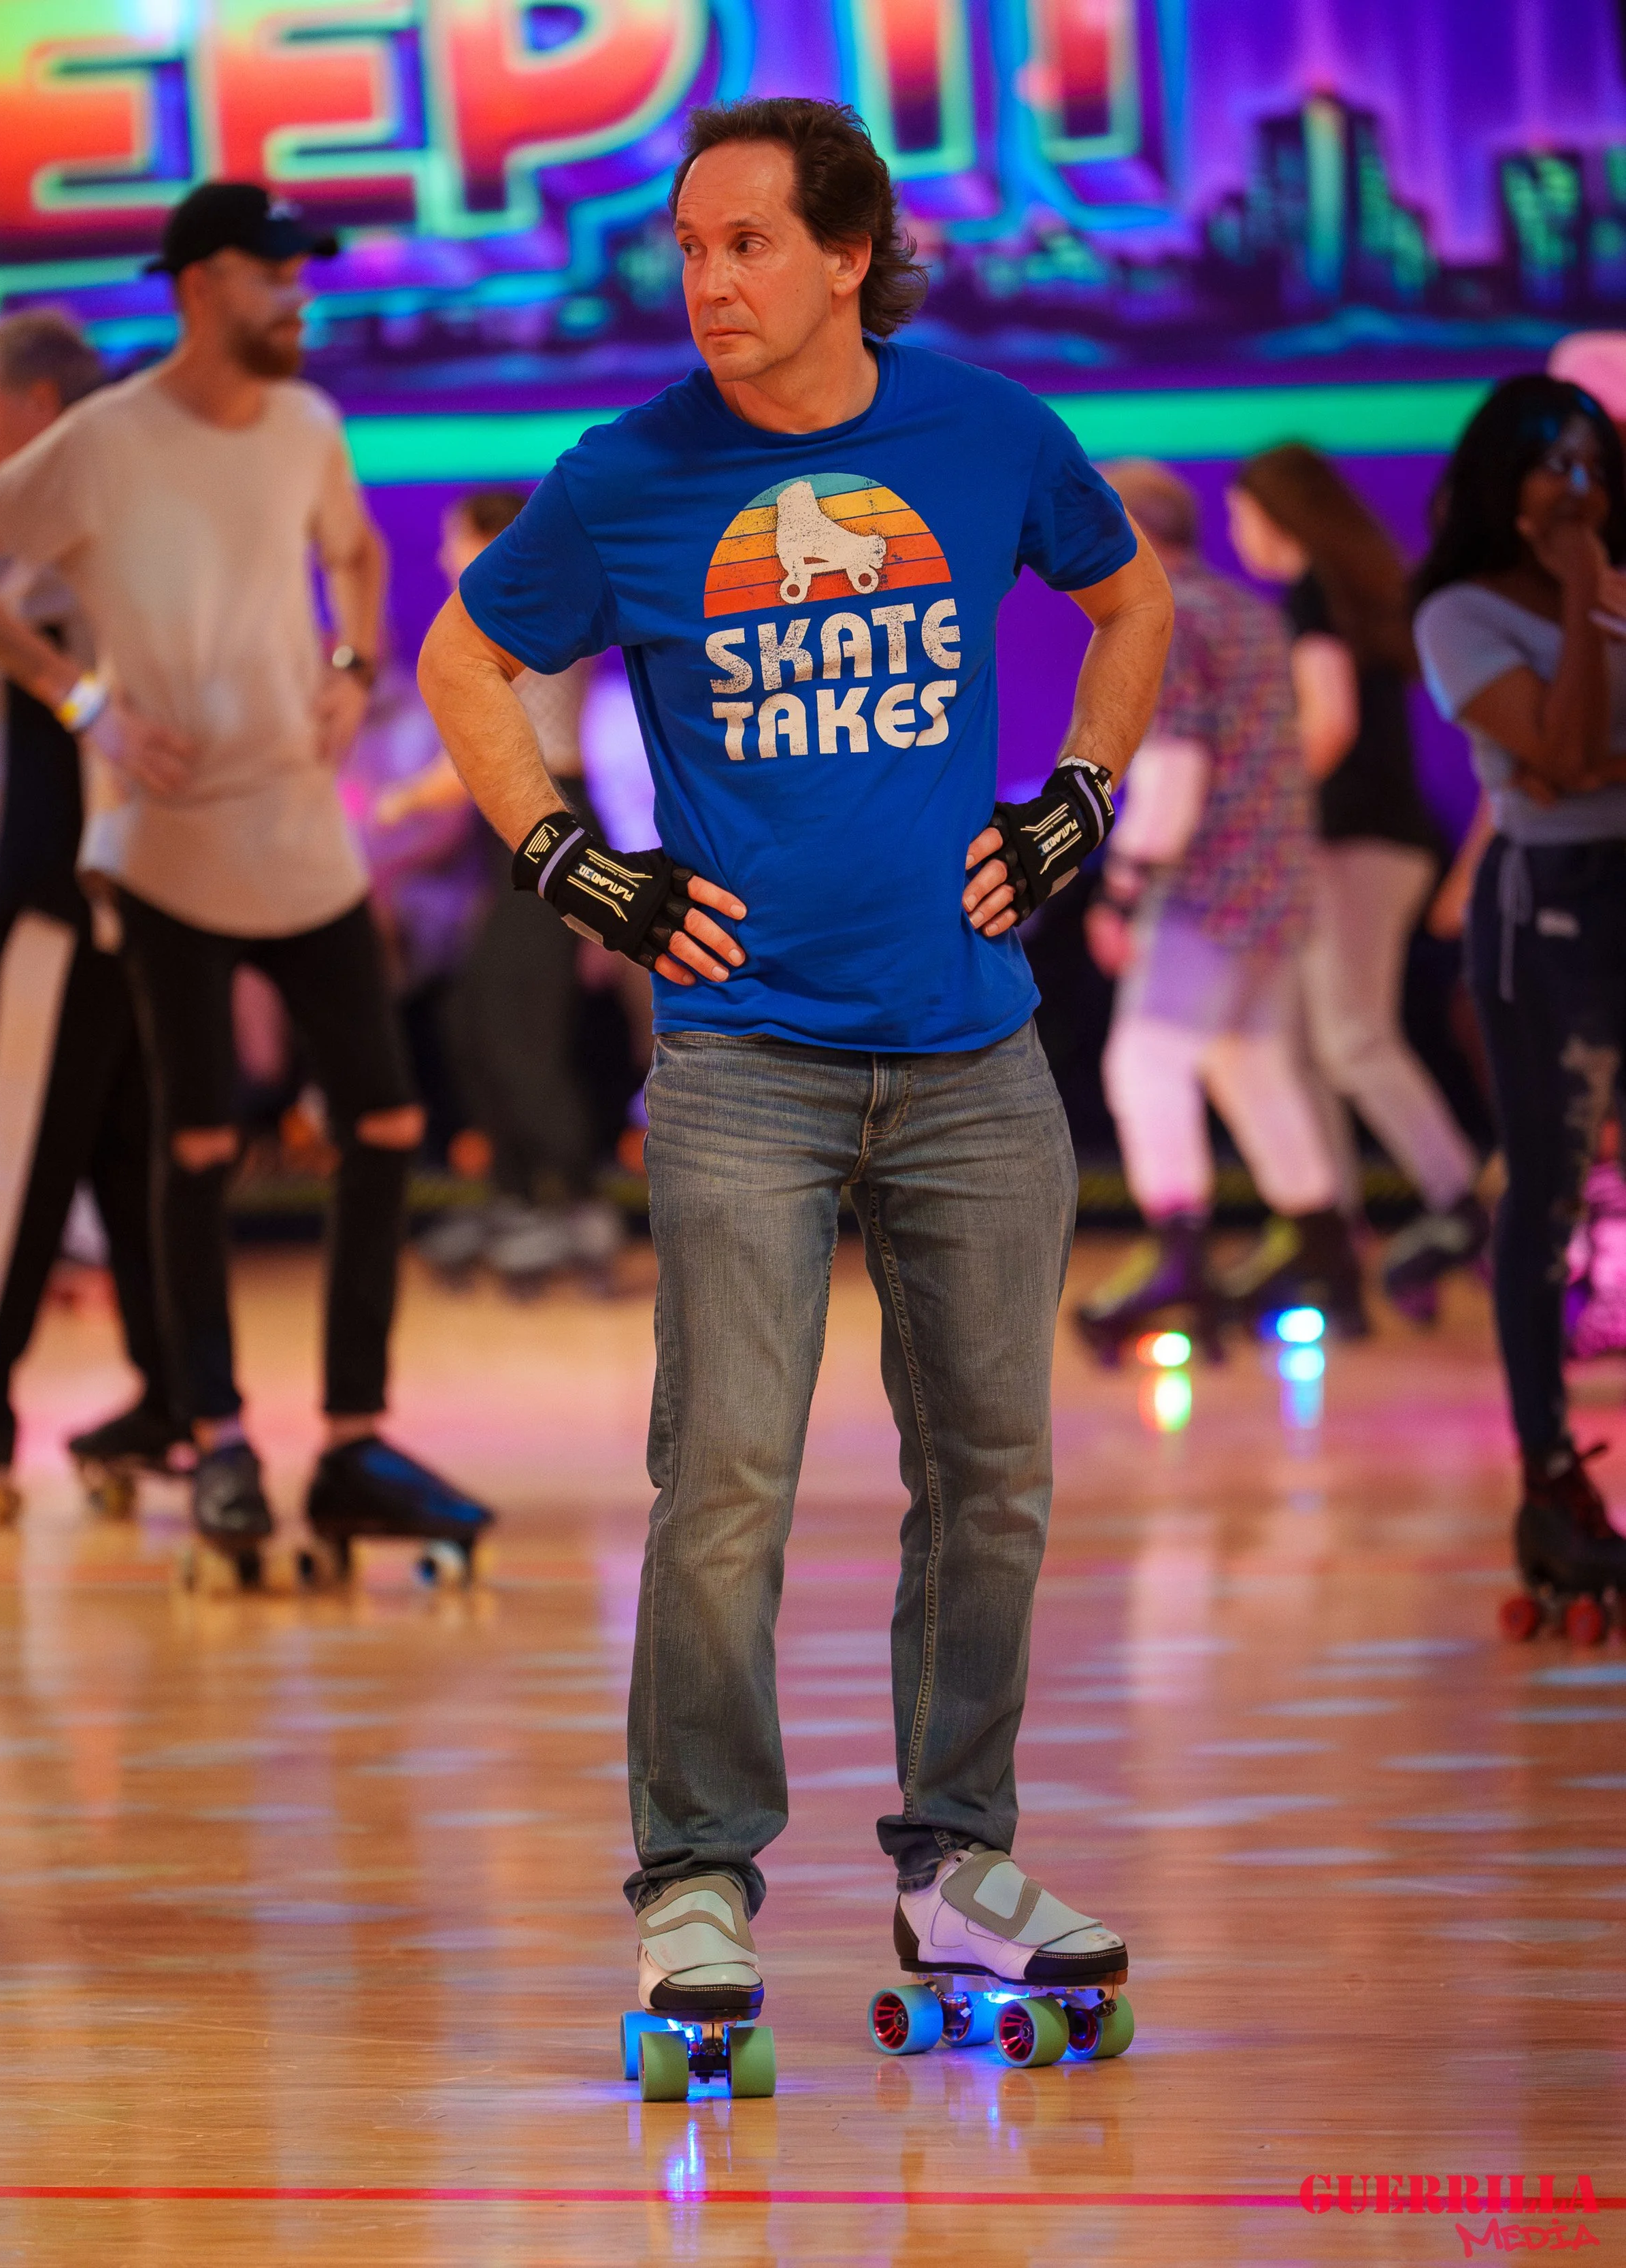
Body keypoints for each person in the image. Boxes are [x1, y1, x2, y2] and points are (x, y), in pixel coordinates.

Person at [417, 97, 1172, 2030]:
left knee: (992, 1473)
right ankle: (690, 1875)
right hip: (745, 1056)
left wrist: (1076, 800)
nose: (706, 281)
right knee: (726, 1479)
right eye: (684, 247)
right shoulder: (627, 477)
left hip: (971, 1048)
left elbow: (1129, 595)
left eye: (743, 242)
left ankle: (958, 1863)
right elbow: (462, 662)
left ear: (849, 252)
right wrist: (573, 867)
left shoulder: (986, 433)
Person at [0, 182, 489, 1566]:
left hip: (294, 834)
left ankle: (344, 1435)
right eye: (269, 273)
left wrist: (355, 668)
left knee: (377, 1126)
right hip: (153, 856)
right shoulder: (105, 445)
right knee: (180, 1145)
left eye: (302, 273)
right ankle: (203, 1434)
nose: (298, 295)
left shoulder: (306, 424)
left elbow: (354, 551)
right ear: (194, 288)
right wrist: (80, 701)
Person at [0, 310, 180, 1518]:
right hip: (151, 890)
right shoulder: (136, 489)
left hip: (70, 891)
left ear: (34, 411)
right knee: (135, 1158)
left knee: (6, 1155)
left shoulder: (62, 507)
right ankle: (177, 1399)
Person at [1412, 373, 1626, 1622]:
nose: (1574, 480)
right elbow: (1551, 757)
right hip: (1546, 907)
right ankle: (1550, 1476)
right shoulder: (1460, 609)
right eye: (1549, 459)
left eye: (1593, 457)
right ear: (1501, 475)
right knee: (1544, 1194)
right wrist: (1588, 587)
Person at [1076, 459, 1363, 1358]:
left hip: (1206, 887)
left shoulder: (1165, 618)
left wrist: (1121, 886)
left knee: (1144, 1064)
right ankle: (1327, 1262)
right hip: (1275, 885)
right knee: (1253, 1066)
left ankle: (1181, 1264)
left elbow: (1175, 767)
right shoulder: (1245, 610)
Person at [1227, 446, 1486, 1319]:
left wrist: (1261, 812)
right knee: (1306, 1046)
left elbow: (1327, 722)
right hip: (1372, 843)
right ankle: (1329, 1242)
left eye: (1242, 515)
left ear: (1277, 514)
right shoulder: (1343, 592)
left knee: (1347, 1039)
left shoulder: (1310, 596)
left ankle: (1462, 1205)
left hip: (1353, 843)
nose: (1238, 533)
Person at [381, 490, 627, 1289]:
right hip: (521, 831)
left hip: (549, 820)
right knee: (475, 1015)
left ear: (490, 541)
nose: (441, 558)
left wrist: (401, 801)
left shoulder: (523, 607)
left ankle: (576, 1202)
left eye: (453, 541)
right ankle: (518, 1191)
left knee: (520, 1025)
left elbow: (495, 755)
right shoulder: (522, 603)